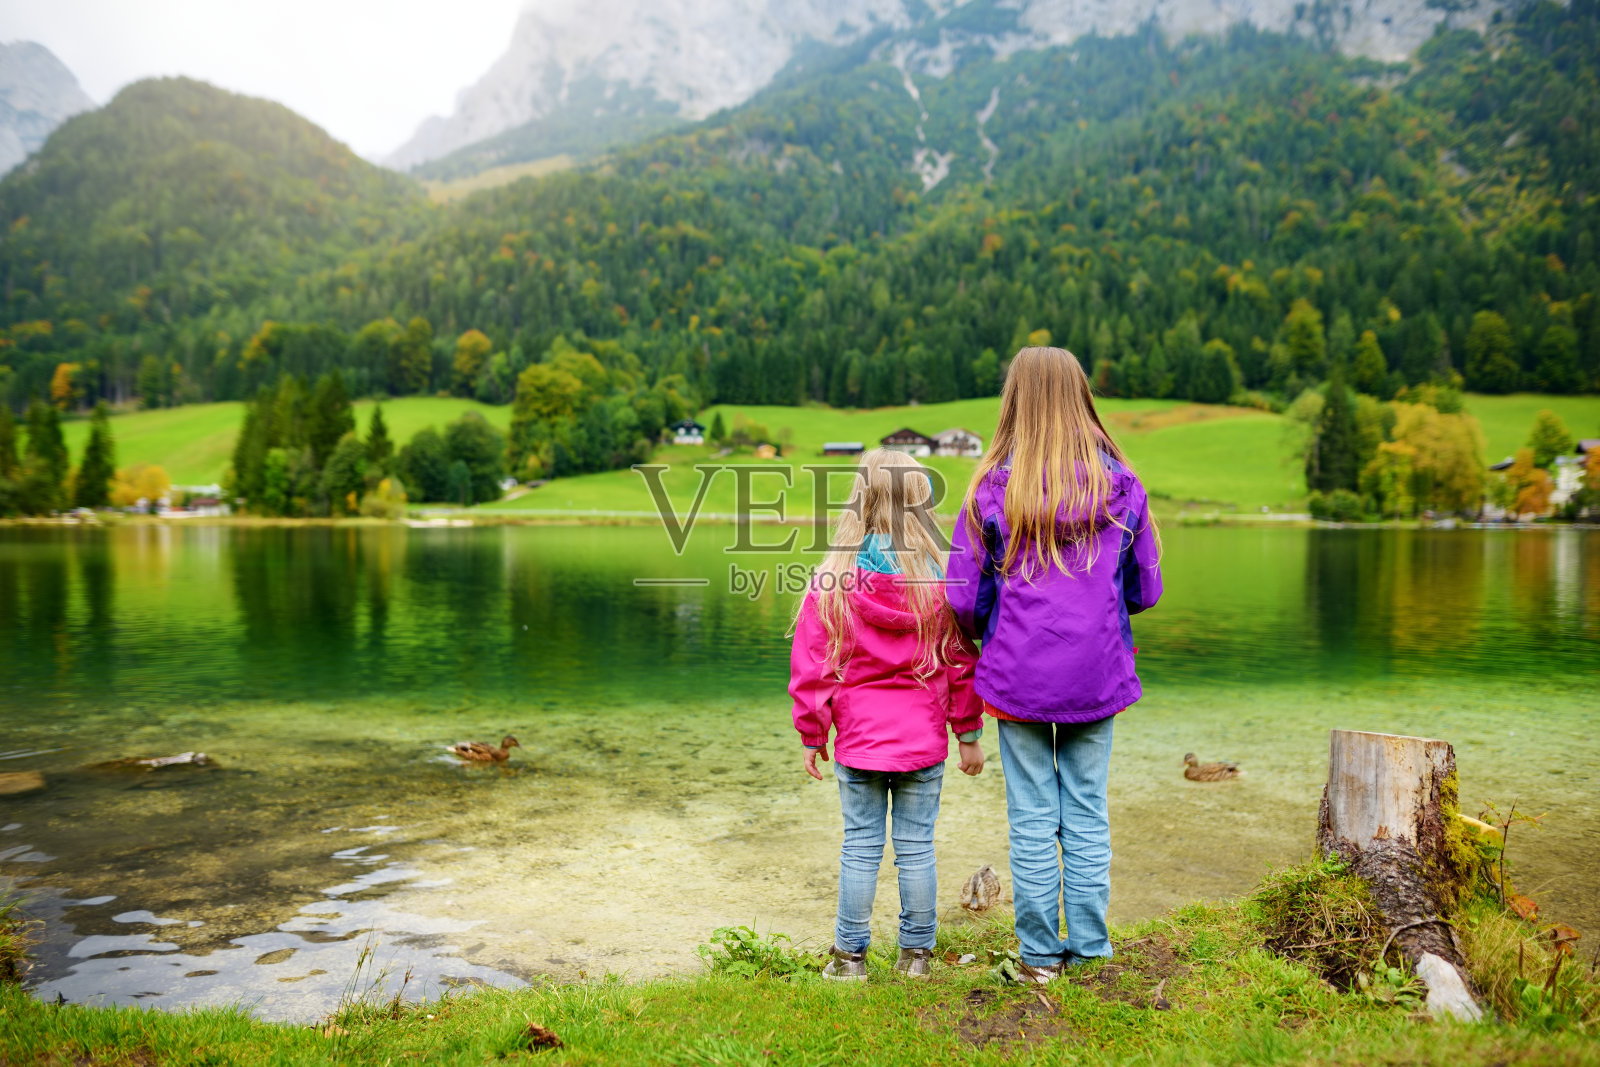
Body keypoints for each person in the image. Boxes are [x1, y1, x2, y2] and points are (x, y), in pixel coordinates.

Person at [947, 346, 1163, 984]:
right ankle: (1092, 950)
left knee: (1034, 816)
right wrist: (1101, 613)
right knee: (1088, 810)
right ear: (1081, 397)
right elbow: (1145, 589)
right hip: (1097, 673)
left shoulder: (992, 486)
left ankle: (1040, 955)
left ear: (1014, 400)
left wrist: (993, 629)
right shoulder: (1120, 482)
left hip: (1017, 677)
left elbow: (963, 596)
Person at [790, 448, 986, 981]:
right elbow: (959, 665)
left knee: (860, 848)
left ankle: (849, 960)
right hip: (922, 744)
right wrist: (968, 732)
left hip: (859, 743)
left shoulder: (833, 584)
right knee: (917, 849)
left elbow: (813, 671)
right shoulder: (940, 583)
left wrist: (813, 736)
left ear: (859, 503)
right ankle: (916, 958)